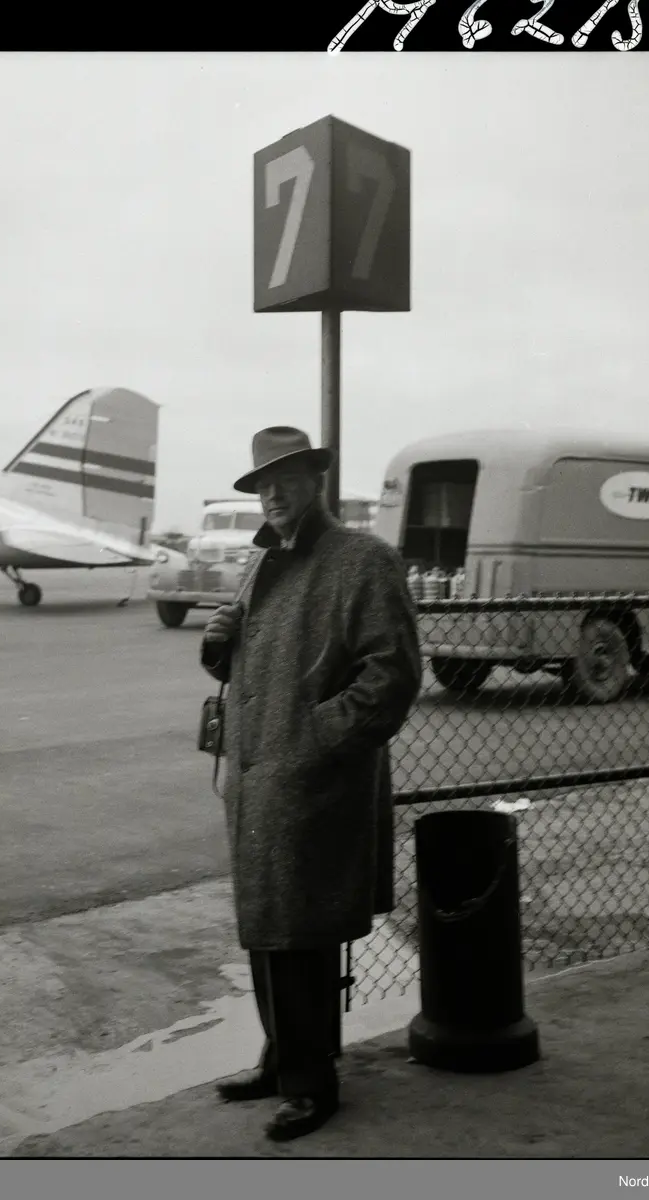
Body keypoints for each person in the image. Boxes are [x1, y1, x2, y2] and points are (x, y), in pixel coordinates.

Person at [202, 426, 422, 1143]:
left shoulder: (361, 559)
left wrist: (316, 740)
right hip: (257, 779)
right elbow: (258, 654)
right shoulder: (264, 559)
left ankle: (310, 1083)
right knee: (268, 930)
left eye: (286, 479)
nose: (272, 494)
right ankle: (281, 1060)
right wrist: (220, 645)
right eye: (262, 484)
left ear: (315, 481)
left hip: (309, 781)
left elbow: (391, 675)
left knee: (301, 933)